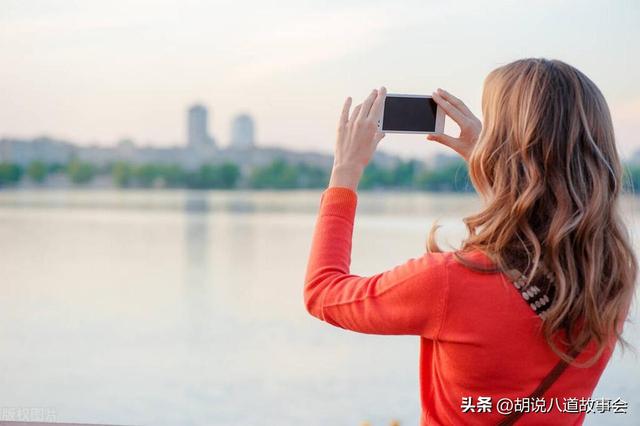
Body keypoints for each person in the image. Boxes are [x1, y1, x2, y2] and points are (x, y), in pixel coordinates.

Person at [303, 58, 637, 425]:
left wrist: (344, 173)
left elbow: (323, 292)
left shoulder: (451, 282)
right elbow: (535, 242)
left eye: (492, 124)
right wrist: (496, 166)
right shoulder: (609, 278)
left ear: (503, 149)